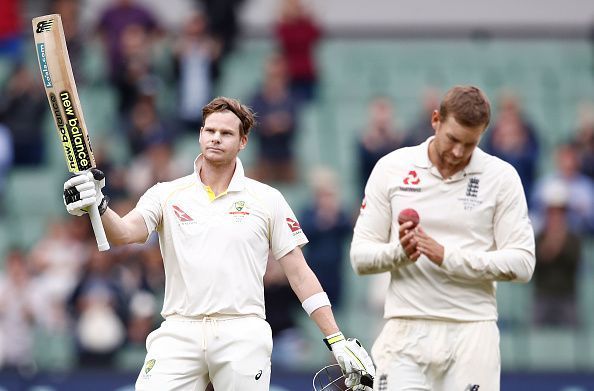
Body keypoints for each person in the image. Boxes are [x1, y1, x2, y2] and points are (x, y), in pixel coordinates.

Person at [62, 96, 374, 390]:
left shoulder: (267, 199)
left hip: (242, 331)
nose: (215, 138)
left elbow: (299, 272)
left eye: (226, 133)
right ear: (200, 135)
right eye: (209, 130)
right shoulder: (166, 193)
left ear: (242, 142)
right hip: (180, 328)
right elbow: (123, 233)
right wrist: (99, 206)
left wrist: (336, 339)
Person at [350, 86, 535, 391]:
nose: (459, 152)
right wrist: (401, 253)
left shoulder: (501, 177)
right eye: (452, 139)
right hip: (405, 329)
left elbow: (523, 263)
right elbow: (360, 257)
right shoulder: (392, 168)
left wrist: (447, 257)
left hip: (473, 331)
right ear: (435, 119)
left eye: (470, 144)